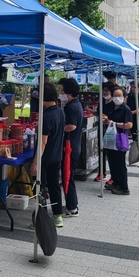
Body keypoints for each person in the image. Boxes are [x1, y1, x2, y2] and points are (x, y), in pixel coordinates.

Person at [30, 82, 65, 227]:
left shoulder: (47, 116)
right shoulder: (60, 111)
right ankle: (57, 216)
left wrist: (35, 163)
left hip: (46, 157)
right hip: (57, 156)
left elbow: (43, 142)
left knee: (40, 187)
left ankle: (41, 220)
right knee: (54, 185)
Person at [59, 78, 84, 217]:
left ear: (68, 92)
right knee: (68, 176)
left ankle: (72, 207)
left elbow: (71, 126)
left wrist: (58, 129)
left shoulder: (71, 107)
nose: (60, 93)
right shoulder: (76, 104)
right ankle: (71, 204)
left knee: (68, 177)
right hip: (73, 145)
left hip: (70, 147)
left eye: (62, 90)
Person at [102, 85, 133, 195]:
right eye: (115, 95)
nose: (117, 98)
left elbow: (129, 125)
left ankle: (124, 187)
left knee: (120, 163)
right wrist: (107, 121)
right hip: (111, 139)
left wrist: (114, 123)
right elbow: (110, 120)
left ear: (124, 97)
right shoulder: (111, 107)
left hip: (120, 139)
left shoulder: (126, 109)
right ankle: (115, 182)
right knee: (112, 162)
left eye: (119, 95)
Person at [94, 81, 115, 183]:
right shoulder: (101, 101)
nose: (105, 92)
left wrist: (107, 119)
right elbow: (99, 113)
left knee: (111, 153)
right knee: (101, 151)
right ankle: (101, 172)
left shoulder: (115, 103)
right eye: (103, 90)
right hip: (101, 128)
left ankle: (113, 176)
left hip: (111, 130)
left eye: (107, 90)